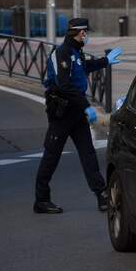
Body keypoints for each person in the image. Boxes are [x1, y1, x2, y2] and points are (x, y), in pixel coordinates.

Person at [34, 18, 122, 214]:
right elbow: (64, 86)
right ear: (79, 33)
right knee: (51, 155)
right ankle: (41, 200)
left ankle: (101, 195)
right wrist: (87, 106)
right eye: (85, 33)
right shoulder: (61, 53)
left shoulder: (76, 51)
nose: (86, 36)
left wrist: (105, 61)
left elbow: (84, 67)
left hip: (76, 112)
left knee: (88, 153)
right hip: (62, 112)